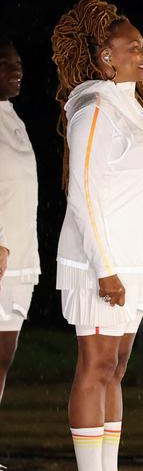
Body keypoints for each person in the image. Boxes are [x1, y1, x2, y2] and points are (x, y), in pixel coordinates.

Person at [50, 0, 143, 471]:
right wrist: (106, 269)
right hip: (103, 266)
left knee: (117, 369)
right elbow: (82, 193)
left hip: (136, 265)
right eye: (134, 47)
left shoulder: (132, 104)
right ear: (105, 56)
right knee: (97, 366)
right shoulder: (93, 105)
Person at [0, 38, 39, 421]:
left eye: (18, 62)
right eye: (3, 63)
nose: (16, 69)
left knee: (3, 355)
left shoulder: (12, 116)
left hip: (19, 257)